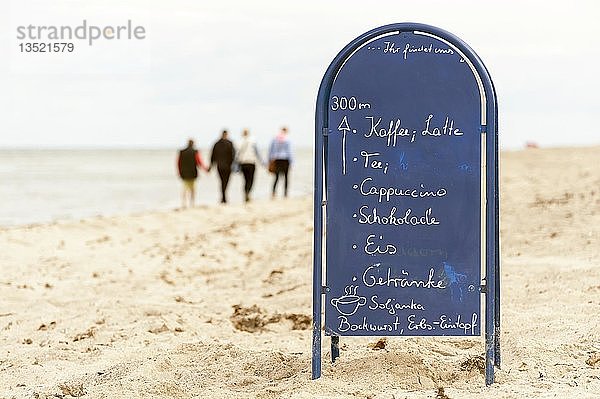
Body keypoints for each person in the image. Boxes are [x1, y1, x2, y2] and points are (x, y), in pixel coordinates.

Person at [177, 139, 208, 208]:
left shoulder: (182, 152)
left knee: (185, 188)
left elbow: (178, 163)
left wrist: (179, 172)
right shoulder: (195, 152)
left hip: (184, 173)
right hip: (192, 172)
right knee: (192, 189)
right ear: (193, 144)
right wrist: (205, 169)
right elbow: (199, 162)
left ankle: (184, 203)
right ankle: (192, 203)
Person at [235, 129, 263, 202]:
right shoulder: (253, 141)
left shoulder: (239, 142)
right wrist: (262, 162)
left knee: (245, 179)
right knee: (251, 179)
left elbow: (236, 154)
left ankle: (246, 193)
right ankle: (248, 192)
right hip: (251, 162)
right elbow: (257, 153)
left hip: (243, 163)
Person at [209, 130, 235, 204]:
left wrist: (211, 166)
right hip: (227, 166)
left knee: (222, 181)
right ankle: (224, 197)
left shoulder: (217, 144)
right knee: (225, 182)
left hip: (220, 166)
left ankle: (223, 197)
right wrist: (233, 164)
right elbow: (233, 155)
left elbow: (213, 156)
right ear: (226, 135)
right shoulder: (229, 143)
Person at [268, 126, 293, 198]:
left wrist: (270, 160)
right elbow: (290, 152)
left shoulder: (275, 139)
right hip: (285, 160)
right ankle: (285, 193)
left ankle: (273, 193)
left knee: (276, 177)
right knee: (286, 177)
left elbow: (271, 150)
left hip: (277, 160)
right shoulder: (288, 139)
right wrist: (291, 162)